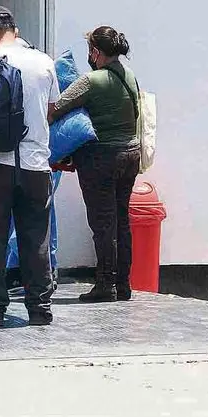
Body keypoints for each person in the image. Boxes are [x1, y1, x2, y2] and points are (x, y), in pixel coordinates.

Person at [0, 5, 58, 327]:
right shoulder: (44, 61)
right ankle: (39, 307)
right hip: (34, 164)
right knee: (35, 237)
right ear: (15, 30)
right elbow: (50, 110)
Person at [50, 26, 141, 303]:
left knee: (103, 223)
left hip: (102, 158)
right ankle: (123, 284)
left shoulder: (92, 80)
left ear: (96, 52)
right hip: (130, 154)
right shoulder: (129, 75)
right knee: (121, 221)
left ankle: (105, 284)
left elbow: (55, 109)